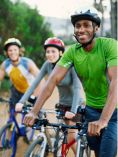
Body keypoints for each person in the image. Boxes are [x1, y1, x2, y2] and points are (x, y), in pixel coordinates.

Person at [23, 8, 117, 157]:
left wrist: (103, 120)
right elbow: (52, 80)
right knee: (96, 150)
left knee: (107, 153)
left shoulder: (109, 45)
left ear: (96, 28)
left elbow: (116, 82)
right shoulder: (72, 51)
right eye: (78, 25)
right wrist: (34, 111)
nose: (81, 29)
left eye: (86, 25)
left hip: (112, 113)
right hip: (91, 110)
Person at [16, 37, 85, 154]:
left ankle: (79, 153)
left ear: (61, 52)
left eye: (53, 51)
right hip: (62, 105)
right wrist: (21, 101)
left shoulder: (71, 65)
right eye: (48, 51)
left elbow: (78, 89)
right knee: (59, 134)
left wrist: (73, 110)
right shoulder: (47, 65)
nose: (50, 54)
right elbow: (35, 83)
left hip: (75, 105)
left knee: (71, 138)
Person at [0, 37, 43, 111]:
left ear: (19, 51)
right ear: (7, 52)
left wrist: (34, 96)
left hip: (30, 90)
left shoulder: (27, 63)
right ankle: (11, 120)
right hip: (16, 90)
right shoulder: (5, 64)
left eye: (15, 50)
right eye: (10, 50)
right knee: (12, 111)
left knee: (33, 114)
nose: (13, 52)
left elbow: (41, 79)